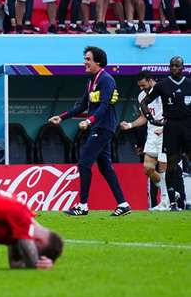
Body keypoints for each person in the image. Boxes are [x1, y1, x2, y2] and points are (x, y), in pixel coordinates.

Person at [49, 46, 131, 217]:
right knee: (105, 167)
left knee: (84, 163)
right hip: (98, 126)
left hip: (103, 127)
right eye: (85, 58)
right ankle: (123, 204)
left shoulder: (106, 80)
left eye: (88, 59)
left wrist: (90, 120)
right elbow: (81, 106)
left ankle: (83, 206)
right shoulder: (91, 81)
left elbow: (105, 104)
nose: (84, 62)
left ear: (98, 62)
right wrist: (61, 117)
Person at [140, 56, 191, 210]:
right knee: (170, 165)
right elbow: (144, 102)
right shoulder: (163, 85)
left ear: (183, 68)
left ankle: (181, 199)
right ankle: (172, 203)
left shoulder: (189, 84)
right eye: (172, 66)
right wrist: (152, 120)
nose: (174, 69)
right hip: (171, 128)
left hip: (188, 128)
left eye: (177, 66)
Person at [120, 70, 170, 211]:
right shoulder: (142, 96)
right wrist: (130, 125)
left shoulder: (163, 91)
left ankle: (165, 200)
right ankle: (171, 193)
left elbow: (173, 113)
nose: (142, 89)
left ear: (150, 80)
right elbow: (144, 117)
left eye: (143, 85)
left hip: (164, 133)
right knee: (148, 168)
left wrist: (165, 127)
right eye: (140, 86)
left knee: (163, 167)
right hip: (151, 134)